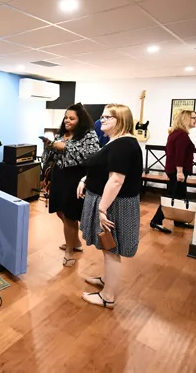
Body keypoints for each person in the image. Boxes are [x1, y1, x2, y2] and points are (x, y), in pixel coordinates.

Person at [77, 104, 143, 309]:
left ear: (121, 120)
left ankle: (107, 297)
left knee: (111, 249)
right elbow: (104, 168)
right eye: (102, 116)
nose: (102, 120)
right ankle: (107, 280)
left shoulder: (123, 145)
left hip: (115, 204)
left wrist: (102, 209)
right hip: (109, 201)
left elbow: (116, 180)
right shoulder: (116, 142)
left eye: (108, 117)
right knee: (108, 248)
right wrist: (85, 179)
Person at [42, 103, 100, 266]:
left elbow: (92, 155)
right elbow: (51, 154)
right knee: (59, 211)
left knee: (70, 215)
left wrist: (65, 147)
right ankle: (75, 242)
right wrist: (50, 147)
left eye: (71, 118)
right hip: (59, 175)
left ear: (80, 120)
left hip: (76, 177)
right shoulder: (61, 133)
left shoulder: (89, 135)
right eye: (66, 117)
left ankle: (69, 250)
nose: (67, 120)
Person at [150, 110, 196, 233]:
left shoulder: (175, 133)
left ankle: (179, 220)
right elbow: (179, 155)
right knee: (172, 194)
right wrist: (180, 172)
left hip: (174, 170)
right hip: (178, 171)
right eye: (193, 118)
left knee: (179, 195)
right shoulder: (182, 135)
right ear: (185, 119)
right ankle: (156, 221)